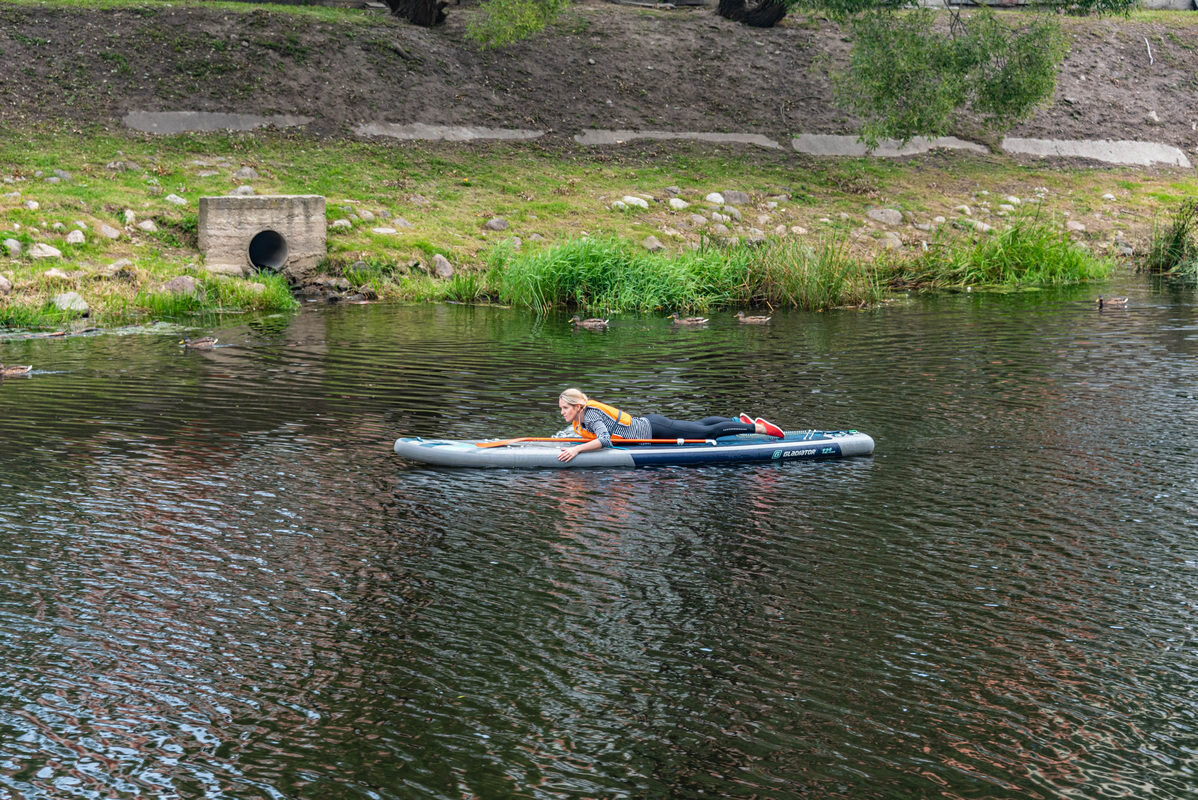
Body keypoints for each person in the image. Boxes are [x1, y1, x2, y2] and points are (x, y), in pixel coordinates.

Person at [556, 388, 784, 462]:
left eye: (565, 408)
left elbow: (604, 439)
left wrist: (576, 449)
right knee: (699, 425)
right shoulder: (582, 418)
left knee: (707, 432)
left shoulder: (592, 416)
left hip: (656, 430)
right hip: (651, 422)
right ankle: (737, 422)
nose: (562, 412)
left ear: (577, 406)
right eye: (561, 409)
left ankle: (758, 428)